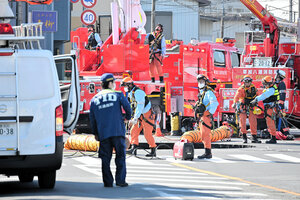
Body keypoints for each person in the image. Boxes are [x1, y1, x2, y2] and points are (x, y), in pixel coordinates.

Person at [89, 73, 131, 187]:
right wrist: (126, 118)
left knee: (105, 158)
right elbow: (128, 108)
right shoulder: (118, 94)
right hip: (117, 130)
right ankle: (120, 181)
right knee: (120, 156)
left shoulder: (94, 99)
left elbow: (92, 119)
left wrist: (96, 133)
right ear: (110, 83)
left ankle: (108, 182)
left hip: (103, 133)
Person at [120, 77, 157, 157]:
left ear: (129, 85)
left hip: (147, 115)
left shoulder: (138, 92)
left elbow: (140, 106)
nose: (124, 88)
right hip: (140, 115)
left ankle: (153, 149)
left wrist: (135, 118)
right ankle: (134, 148)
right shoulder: (131, 93)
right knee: (134, 130)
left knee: (147, 134)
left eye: (125, 86)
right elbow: (133, 106)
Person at [194, 74, 219, 159]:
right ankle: (206, 151)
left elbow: (214, 103)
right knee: (202, 134)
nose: (200, 83)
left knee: (205, 134)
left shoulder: (208, 92)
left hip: (206, 116)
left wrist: (209, 112)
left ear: (206, 82)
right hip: (202, 116)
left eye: (202, 82)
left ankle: (208, 152)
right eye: (199, 82)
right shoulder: (201, 93)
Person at [232, 75, 261, 143]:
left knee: (253, 121)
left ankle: (254, 136)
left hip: (251, 106)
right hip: (243, 106)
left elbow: (258, 96)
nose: (247, 83)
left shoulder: (253, 88)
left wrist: (256, 103)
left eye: (248, 82)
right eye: (246, 82)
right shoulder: (241, 89)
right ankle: (244, 137)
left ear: (250, 82)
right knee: (242, 122)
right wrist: (235, 103)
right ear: (244, 82)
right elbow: (236, 97)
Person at [251, 76, 279, 144]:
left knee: (270, 123)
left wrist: (256, 100)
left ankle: (273, 138)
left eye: (265, 84)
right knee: (270, 122)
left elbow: (264, 96)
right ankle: (272, 137)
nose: (264, 85)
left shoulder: (271, 90)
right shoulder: (270, 88)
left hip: (270, 108)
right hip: (269, 108)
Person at [274, 70, 293, 140]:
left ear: (279, 76)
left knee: (282, 118)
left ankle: (286, 133)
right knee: (277, 118)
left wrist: (280, 104)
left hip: (279, 105)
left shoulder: (282, 84)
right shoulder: (276, 83)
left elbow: (282, 95)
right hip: (276, 104)